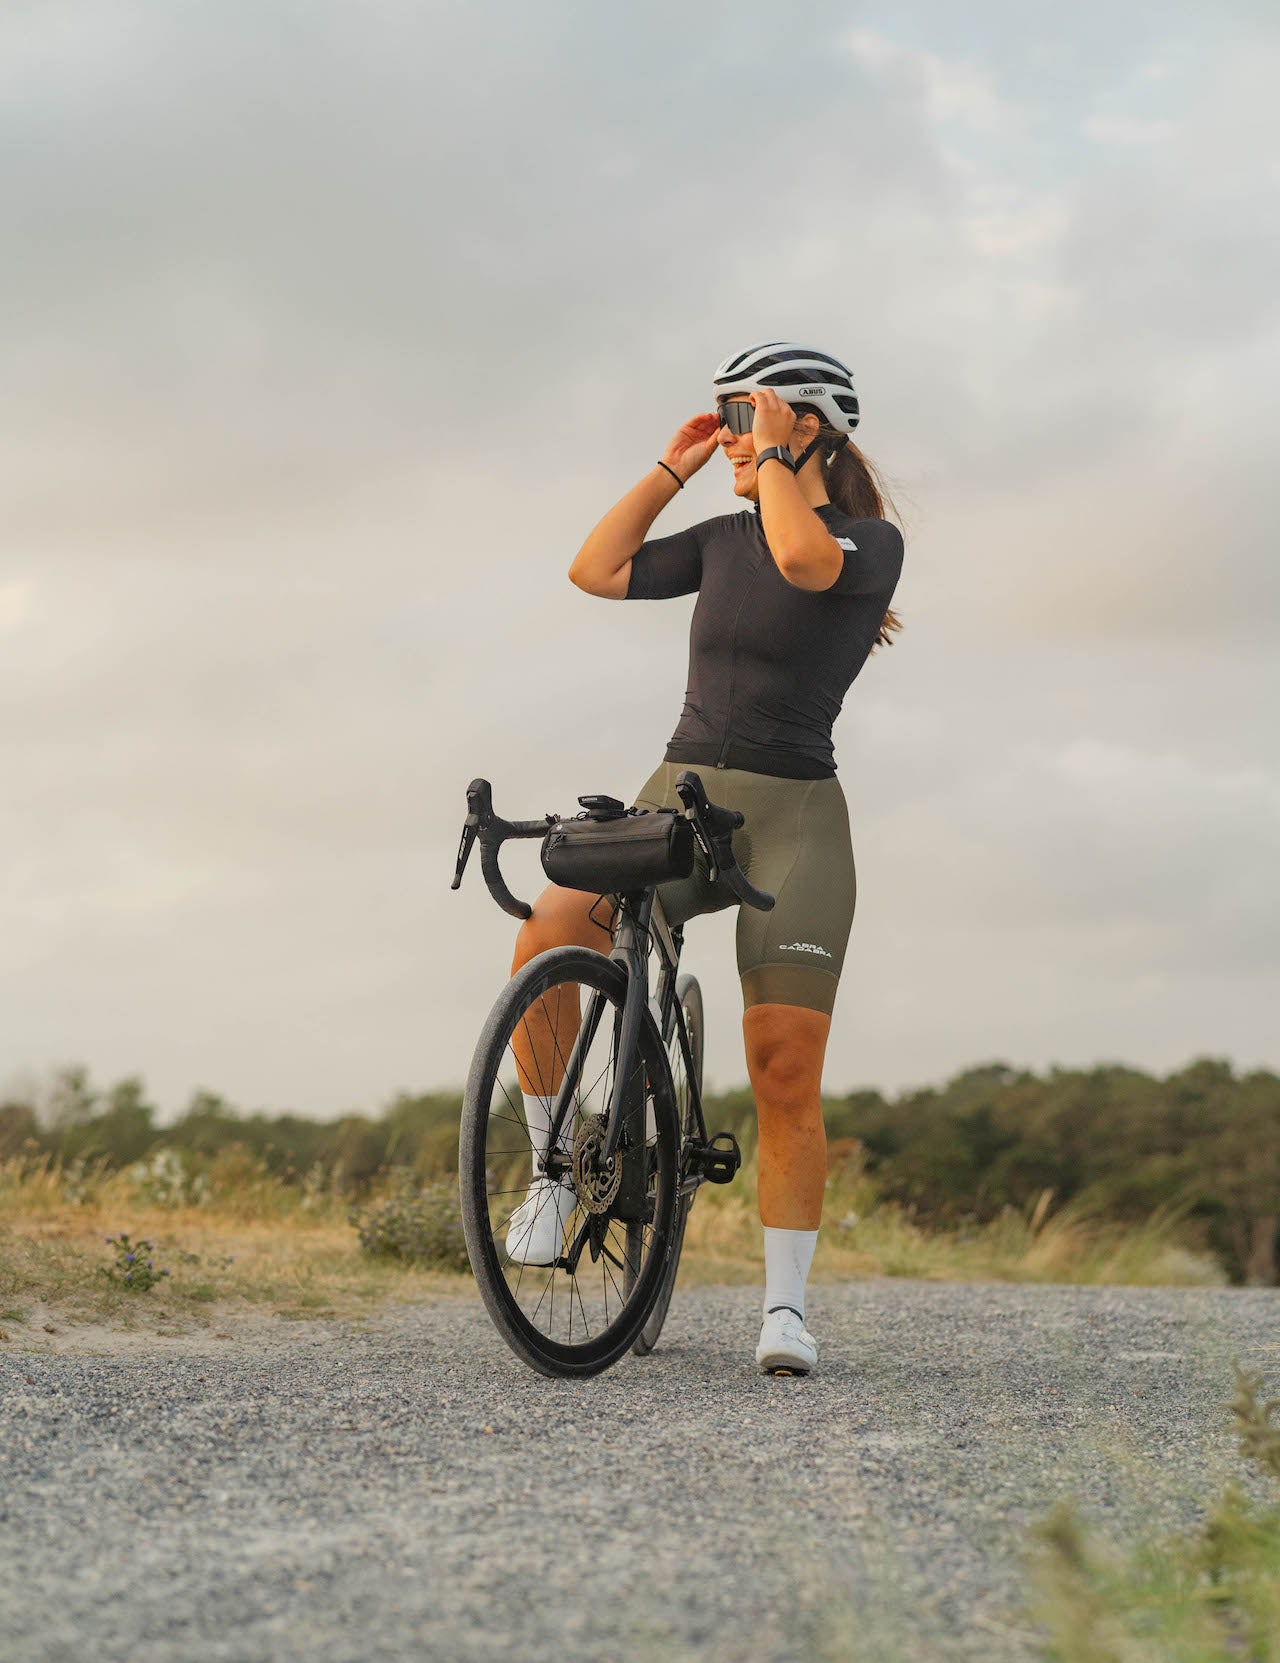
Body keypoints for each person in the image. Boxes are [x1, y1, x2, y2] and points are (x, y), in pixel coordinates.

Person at [507, 341, 904, 1375]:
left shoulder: (867, 543)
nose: (731, 434)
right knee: (550, 925)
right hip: (678, 796)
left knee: (783, 1064)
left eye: (746, 415)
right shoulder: (723, 538)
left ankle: (785, 1309)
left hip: (794, 817)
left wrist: (766, 459)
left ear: (808, 424)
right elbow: (594, 570)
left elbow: (804, 562)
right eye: (725, 417)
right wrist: (671, 468)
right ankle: (551, 1171)